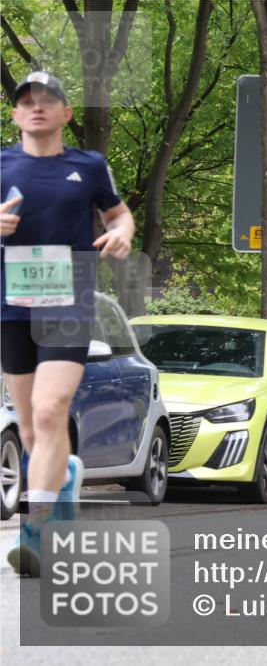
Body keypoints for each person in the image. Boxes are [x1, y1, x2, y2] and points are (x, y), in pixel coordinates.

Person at [1, 71, 135, 575]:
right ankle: (67, 473)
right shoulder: (1, 164)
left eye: (48, 100)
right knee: (34, 427)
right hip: (12, 306)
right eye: (27, 101)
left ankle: (35, 531)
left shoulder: (88, 165)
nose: (37, 107)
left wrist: (120, 234)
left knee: (51, 407)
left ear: (66, 113)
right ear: (15, 114)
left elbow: (119, 216)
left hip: (67, 303)